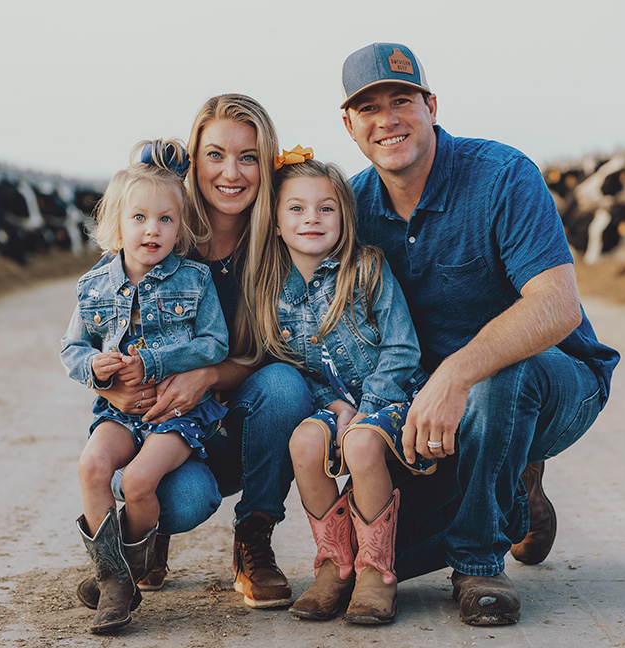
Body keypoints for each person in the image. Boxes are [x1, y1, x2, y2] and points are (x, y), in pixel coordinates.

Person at [337, 43, 621, 626]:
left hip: (553, 383)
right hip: (433, 412)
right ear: (349, 124)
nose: (387, 119)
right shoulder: (351, 206)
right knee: (360, 563)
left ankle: (479, 562)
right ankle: (515, 489)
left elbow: (558, 306)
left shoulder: (502, 176)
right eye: (369, 108)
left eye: (402, 100)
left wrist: (456, 372)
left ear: (431, 105)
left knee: (501, 382)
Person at [76, 94, 312, 611]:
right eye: (215, 155)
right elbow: (101, 328)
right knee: (168, 496)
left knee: (286, 386)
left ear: (265, 165)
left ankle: (254, 536)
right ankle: (143, 544)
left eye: (249, 157)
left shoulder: (278, 241)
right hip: (156, 420)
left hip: (235, 416)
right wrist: (111, 385)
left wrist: (207, 375)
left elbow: (286, 351)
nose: (232, 172)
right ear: (193, 158)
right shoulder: (161, 229)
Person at [244, 152, 431, 624]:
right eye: (297, 209)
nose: (312, 218)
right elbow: (286, 363)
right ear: (277, 221)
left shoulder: (366, 268)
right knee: (305, 442)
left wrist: (365, 409)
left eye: (326, 208)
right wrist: (331, 403)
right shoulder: (270, 286)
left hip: (395, 397)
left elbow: (402, 349)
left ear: (345, 218)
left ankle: (376, 572)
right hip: (337, 404)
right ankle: (335, 564)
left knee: (362, 443)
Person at [60, 140, 231, 632]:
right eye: (138, 218)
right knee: (93, 464)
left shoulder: (195, 280)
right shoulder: (92, 287)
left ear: (181, 228)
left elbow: (215, 342)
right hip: (119, 412)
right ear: (115, 224)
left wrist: (157, 360)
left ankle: (123, 576)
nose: (152, 230)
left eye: (165, 219)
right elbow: (71, 349)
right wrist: (97, 366)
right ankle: (114, 575)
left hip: (176, 413)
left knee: (137, 482)